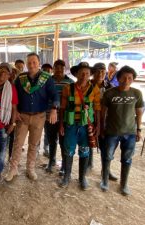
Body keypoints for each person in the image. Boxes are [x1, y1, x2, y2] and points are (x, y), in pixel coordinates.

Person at [5, 53, 59, 182]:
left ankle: (30, 169)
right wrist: (15, 111)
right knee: (17, 143)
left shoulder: (47, 79)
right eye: (29, 63)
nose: (31, 65)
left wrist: (54, 109)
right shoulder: (21, 78)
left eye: (34, 62)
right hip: (22, 116)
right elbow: (14, 97)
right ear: (26, 64)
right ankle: (13, 169)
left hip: (39, 116)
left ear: (39, 63)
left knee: (34, 144)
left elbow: (55, 95)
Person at [100, 65, 144, 196]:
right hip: (111, 131)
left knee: (127, 159)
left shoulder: (136, 93)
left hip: (130, 132)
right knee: (107, 157)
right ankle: (105, 180)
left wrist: (139, 130)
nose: (126, 80)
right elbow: (102, 113)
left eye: (130, 78)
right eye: (123, 77)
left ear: (133, 79)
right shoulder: (109, 93)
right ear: (118, 78)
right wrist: (102, 128)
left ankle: (124, 184)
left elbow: (139, 113)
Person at [59, 62, 101, 190]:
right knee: (68, 151)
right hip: (70, 125)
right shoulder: (68, 88)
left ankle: (82, 178)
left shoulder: (95, 89)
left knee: (84, 151)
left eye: (87, 73)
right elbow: (62, 107)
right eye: (81, 73)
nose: (84, 75)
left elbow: (97, 108)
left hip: (86, 126)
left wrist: (98, 125)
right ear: (76, 74)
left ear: (90, 75)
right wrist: (61, 124)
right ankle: (67, 176)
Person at [45, 60, 74, 174]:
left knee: (63, 142)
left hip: (64, 118)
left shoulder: (70, 82)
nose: (59, 70)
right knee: (52, 141)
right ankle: (51, 162)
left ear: (64, 69)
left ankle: (63, 166)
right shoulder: (48, 81)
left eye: (61, 68)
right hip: (49, 116)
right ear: (53, 68)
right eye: (56, 68)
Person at [40, 63, 53, 157]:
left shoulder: (52, 82)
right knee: (36, 132)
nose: (47, 73)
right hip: (38, 112)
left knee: (48, 132)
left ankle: (46, 149)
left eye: (49, 71)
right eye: (45, 71)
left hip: (49, 112)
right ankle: (36, 150)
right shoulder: (37, 81)